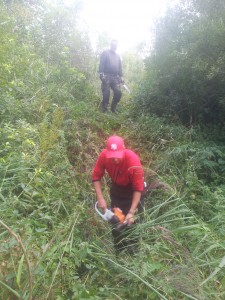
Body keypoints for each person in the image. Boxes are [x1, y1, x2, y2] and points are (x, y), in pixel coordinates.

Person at [92, 135, 145, 254]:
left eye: (117, 156)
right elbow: (96, 177)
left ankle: (134, 255)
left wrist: (131, 212)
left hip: (133, 193)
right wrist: (100, 198)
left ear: (124, 149)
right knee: (116, 222)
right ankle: (119, 254)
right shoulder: (104, 156)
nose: (115, 160)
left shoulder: (133, 161)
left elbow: (138, 188)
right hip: (117, 191)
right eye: (112, 157)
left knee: (133, 225)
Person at [98, 39, 123, 113]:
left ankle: (113, 108)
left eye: (115, 45)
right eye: (113, 45)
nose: (114, 46)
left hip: (115, 77)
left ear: (116, 46)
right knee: (106, 92)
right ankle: (105, 108)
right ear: (110, 45)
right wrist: (101, 74)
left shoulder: (118, 56)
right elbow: (101, 64)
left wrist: (121, 76)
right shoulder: (106, 53)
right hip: (106, 75)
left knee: (118, 92)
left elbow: (120, 67)